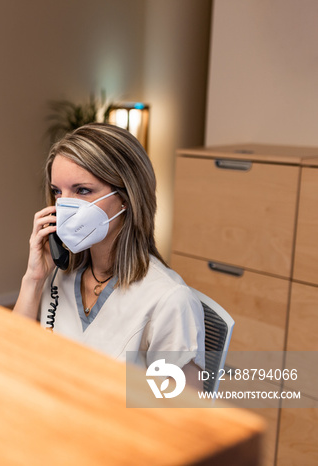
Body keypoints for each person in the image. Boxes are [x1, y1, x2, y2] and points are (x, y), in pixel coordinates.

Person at [13, 123, 204, 388]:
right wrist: (33, 279)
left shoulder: (169, 300)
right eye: (57, 191)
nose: (63, 206)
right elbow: (11, 357)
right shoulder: (59, 273)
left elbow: (185, 418)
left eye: (82, 190)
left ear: (126, 197)